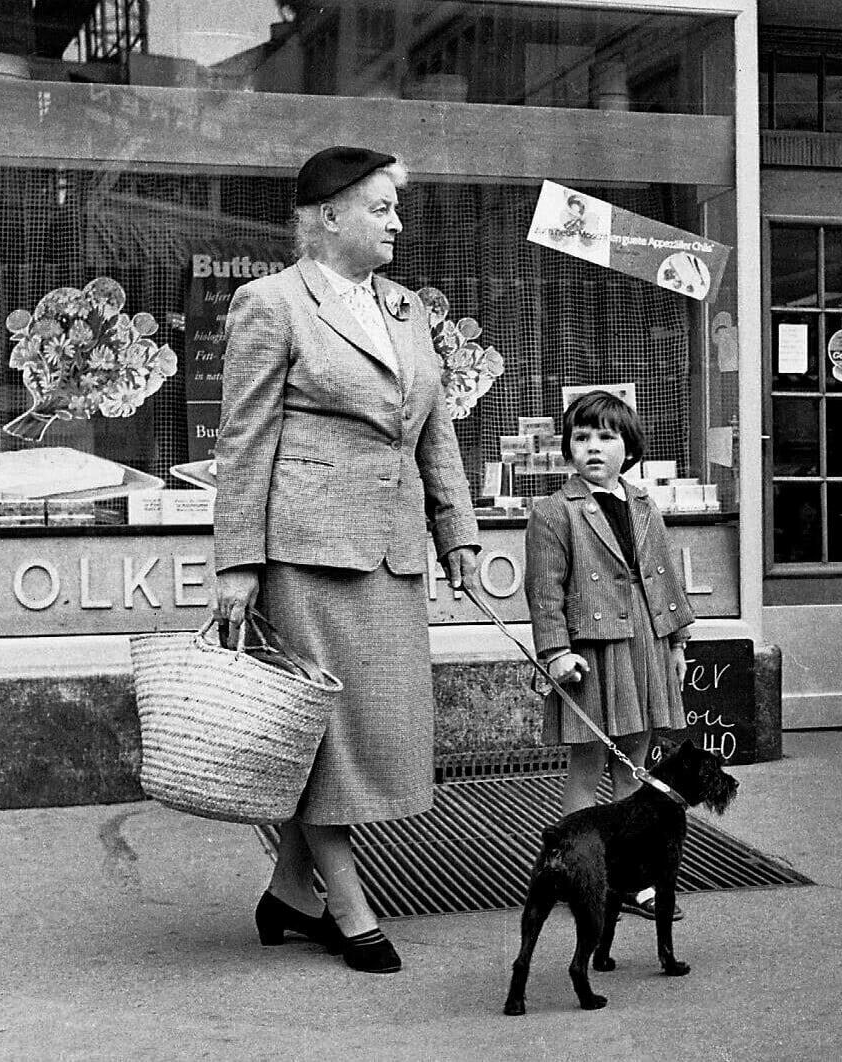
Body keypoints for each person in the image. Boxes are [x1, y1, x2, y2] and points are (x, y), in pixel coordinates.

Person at [212, 145, 479, 974]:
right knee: (325, 739)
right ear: (328, 217)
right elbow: (244, 439)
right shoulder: (271, 304)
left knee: (369, 734)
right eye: (381, 209)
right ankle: (348, 905)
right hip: (306, 557)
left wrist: (458, 534)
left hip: (392, 552)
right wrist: (236, 563)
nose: (397, 223)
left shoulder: (404, 308)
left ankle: (291, 891)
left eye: (396, 209)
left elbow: (434, 429)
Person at [524, 391, 694, 920]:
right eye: (581, 437)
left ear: (629, 447)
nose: (593, 448)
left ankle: (633, 877)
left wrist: (677, 643)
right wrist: (555, 652)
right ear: (567, 449)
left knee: (635, 769)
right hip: (591, 654)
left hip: (643, 643)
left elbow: (663, 577)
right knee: (586, 764)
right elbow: (544, 591)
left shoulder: (644, 506)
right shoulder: (554, 511)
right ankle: (576, 869)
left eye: (606, 437)